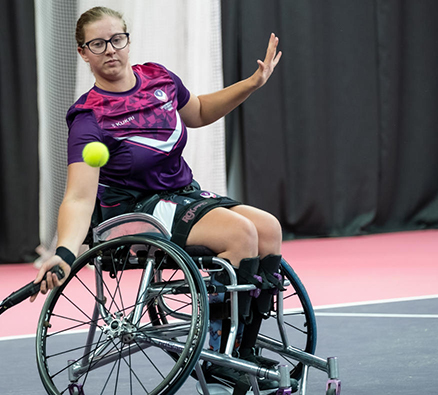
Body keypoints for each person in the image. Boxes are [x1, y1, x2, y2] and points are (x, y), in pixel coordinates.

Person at [31, 6, 291, 393]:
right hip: (134, 211)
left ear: (127, 39)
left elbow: (199, 111)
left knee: (268, 227)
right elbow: (79, 198)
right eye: (98, 44)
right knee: (240, 236)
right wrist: (65, 251)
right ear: (83, 52)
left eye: (117, 39)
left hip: (181, 195)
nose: (110, 50)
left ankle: (243, 348)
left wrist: (252, 83)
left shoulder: (158, 78)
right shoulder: (89, 118)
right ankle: (217, 357)